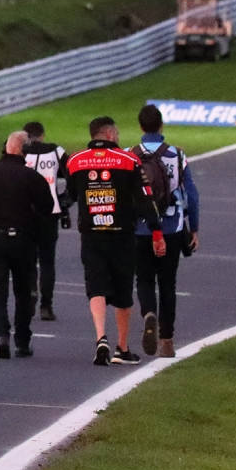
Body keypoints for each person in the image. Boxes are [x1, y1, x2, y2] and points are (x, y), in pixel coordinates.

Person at [66, 116, 165, 366]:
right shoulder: (129, 160)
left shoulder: (75, 161)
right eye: (117, 134)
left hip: (91, 233)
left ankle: (101, 336)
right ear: (110, 134)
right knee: (123, 290)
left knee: (96, 286)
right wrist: (156, 231)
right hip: (121, 233)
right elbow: (146, 199)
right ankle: (122, 347)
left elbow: (68, 195)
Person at [0, 131, 54, 359]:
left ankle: (1, 334)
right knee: (23, 292)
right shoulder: (32, 177)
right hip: (23, 240)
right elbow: (47, 209)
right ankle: (22, 340)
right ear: (23, 151)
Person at [132, 104, 200, 358]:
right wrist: (195, 227)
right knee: (168, 283)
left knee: (144, 278)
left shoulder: (130, 155)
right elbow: (191, 195)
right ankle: (167, 341)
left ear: (140, 127)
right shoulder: (177, 155)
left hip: (140, 228)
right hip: (172, 226)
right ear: (161, 126)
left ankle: (148, 312)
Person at [21, 120, 71, 322]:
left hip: (26, 213)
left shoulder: (22, 152)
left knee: (29, 260)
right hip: (51, 210)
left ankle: (31, 291)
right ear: (42, 135)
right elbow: (72, 173)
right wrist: (65, 200)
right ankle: (46, 306)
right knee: (47, 261)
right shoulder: (55, 150)